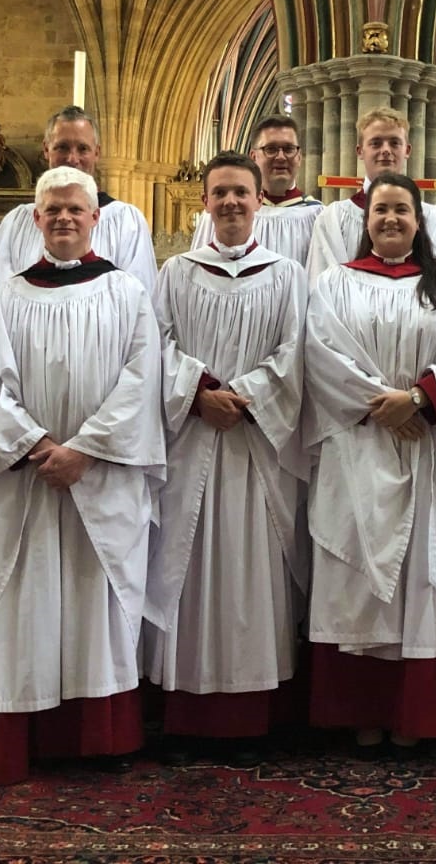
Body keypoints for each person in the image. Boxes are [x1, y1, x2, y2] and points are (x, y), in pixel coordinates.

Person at [0, 165, 165, 784]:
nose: (65, 218)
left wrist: (87, 450)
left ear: (97, 217)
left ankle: (100, 737)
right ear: (35, 219)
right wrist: (40, 446)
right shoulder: (8, 295)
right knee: (23, 599)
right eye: (53, 210)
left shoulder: (127, 293)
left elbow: (140, 381)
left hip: (100, 477)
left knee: (96, 603)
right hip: (27, 482)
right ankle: (23, 734)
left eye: (77, 209)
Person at [305, 172, 436, 747]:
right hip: (356, 446)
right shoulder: (335, 282)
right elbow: (320, 354)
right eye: (381, 209)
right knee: (356, 573)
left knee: (419, 577)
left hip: (423, 447)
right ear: (366, 219)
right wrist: (381, 405)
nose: (390, 219)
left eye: (401, 210)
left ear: (420, 219)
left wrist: (418, 400)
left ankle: (413, 716)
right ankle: (361, 713)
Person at [146, 151, 309, 748]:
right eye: (221, 193)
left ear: (259, 200)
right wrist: (198, 394)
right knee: (187, 566)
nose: (232, 203)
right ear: (206, 203)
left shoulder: (287, 274)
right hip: (194, 442)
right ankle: (190, 713)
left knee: (254, 571)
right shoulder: (177, 273)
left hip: (257, 447)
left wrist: (244, 395)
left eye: (243, 192)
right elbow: (155, 347)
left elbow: (296, 352)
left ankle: (258, 711)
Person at [0, 106, 156, 301]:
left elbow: (139, 301)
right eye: (62, 147)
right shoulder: (17, 222)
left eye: (83, 148)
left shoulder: (126, 221)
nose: (72, 158)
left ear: (97, 153)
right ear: (46, 150)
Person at [307, 107, 436, 279]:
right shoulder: (333, 218)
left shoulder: (435, 219)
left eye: (394, 143)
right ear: (360, 151)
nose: (386, 150)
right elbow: (323, 284)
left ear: (407, 150)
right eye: (376, 143)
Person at [190, 116, 322, 264]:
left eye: (289, 149)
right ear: (253, 156)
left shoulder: (318, 216)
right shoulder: (221, 213)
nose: (281, 157)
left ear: (299, 157)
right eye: (271, 149)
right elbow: (198, 272)